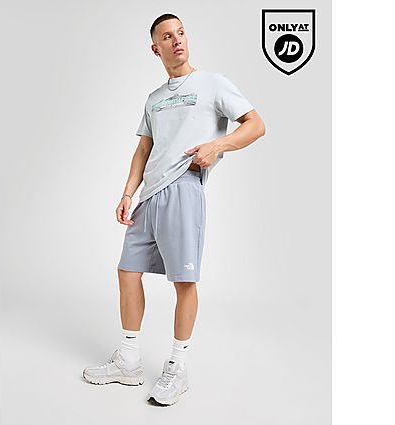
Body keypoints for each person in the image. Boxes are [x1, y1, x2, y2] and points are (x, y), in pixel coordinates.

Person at [82, 13, 266, 406]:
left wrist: (218, 145)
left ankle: (177, 367)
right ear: (156, 48)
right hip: (149, 196)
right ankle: (129, 361)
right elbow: (143, 149)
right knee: (127, 272)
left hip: (184, 189)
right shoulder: (154, 99)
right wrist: (128, 193)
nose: (177, 40)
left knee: (183, 281)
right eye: (167, 36)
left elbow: (255, 124)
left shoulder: (212, 84)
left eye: (181, 33)